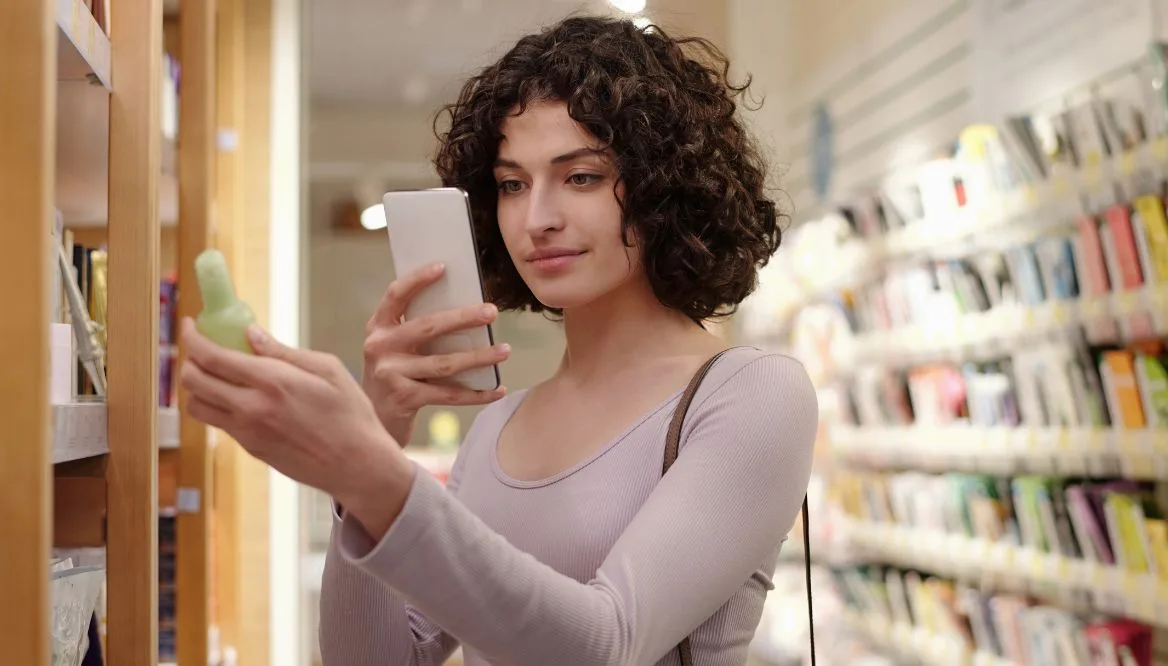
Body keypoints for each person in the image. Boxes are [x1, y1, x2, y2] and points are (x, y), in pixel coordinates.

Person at [179, 14, 817, 666]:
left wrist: (371, 473)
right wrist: (373, 445)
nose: (536, 219)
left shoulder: (752, 393)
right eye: (512, 184)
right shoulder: (498, 426)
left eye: (581, 176)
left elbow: (605, 645)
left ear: (665, 189)